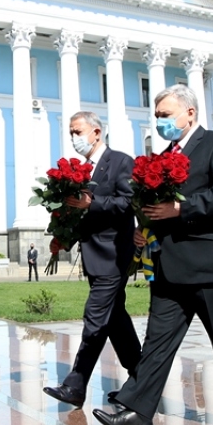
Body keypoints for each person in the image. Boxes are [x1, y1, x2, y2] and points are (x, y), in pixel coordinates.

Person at [93, 84, 213, 425]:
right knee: (157, 341)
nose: (160, 121)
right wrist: (145, 229)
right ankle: (137, 412)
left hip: (210, 262)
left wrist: (183, 208)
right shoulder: (163, 155)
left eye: (166, 114)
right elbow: (156, 204)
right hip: (168, 264)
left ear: (190, 113)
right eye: (158, 116)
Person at [43, 112, 141, 407]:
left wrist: (92, 202)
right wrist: (64, 232)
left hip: (113, 254)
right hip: (93, 254)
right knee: (115, 319)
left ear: (96, 132)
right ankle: (141, 378)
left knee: (95, 315)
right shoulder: (82, 169)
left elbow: (128, 202)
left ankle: (76, 384)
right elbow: (81, 213)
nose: (74, 137)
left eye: (78, 131)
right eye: (71, 132)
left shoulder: (121, 161)